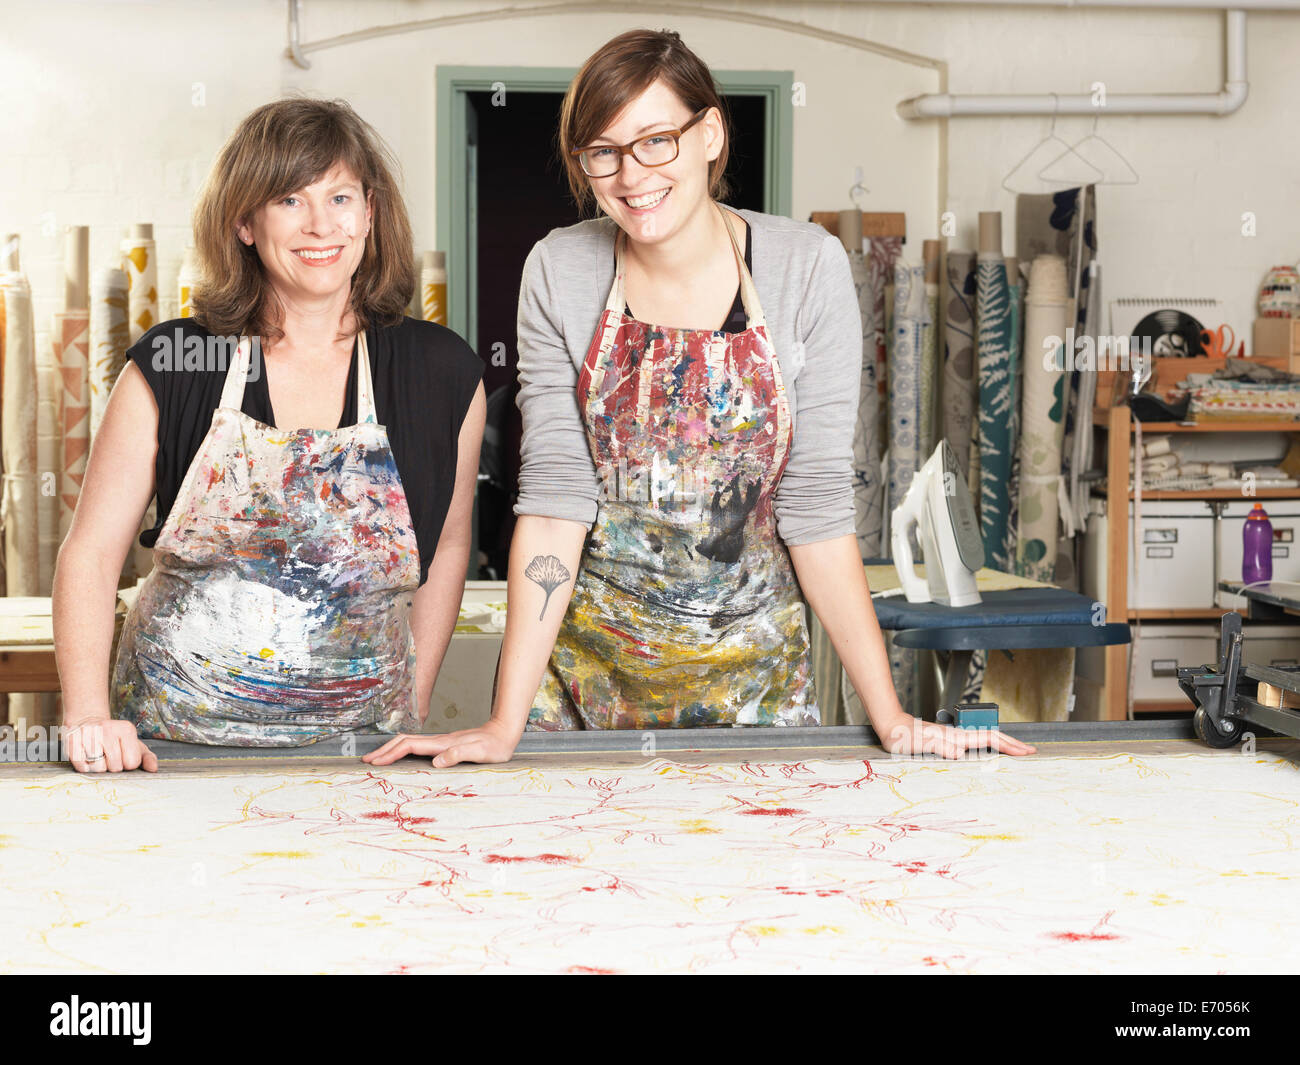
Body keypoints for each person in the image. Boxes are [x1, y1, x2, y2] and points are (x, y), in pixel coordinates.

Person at [365, 29, 1033, 770]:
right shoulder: (560, 269)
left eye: (655, 141)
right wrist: (503, 724)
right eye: (603, 152)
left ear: (709, 133)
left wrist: (892, 715)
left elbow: (814, 513)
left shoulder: (804, 269)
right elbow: (555, 505)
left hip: (758, 702)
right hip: (585, 702)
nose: (630, 175)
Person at [54, 98, 484, 772]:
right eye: (290, 199)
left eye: (340, 196)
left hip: (362, 751)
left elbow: (451, 542)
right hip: (171, 746)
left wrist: (411, 702)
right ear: (244, 222)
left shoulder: (442, 370)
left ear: (370, 212)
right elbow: (90, 553)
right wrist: (86, 715)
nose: (321, 225)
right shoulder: (173, 364)